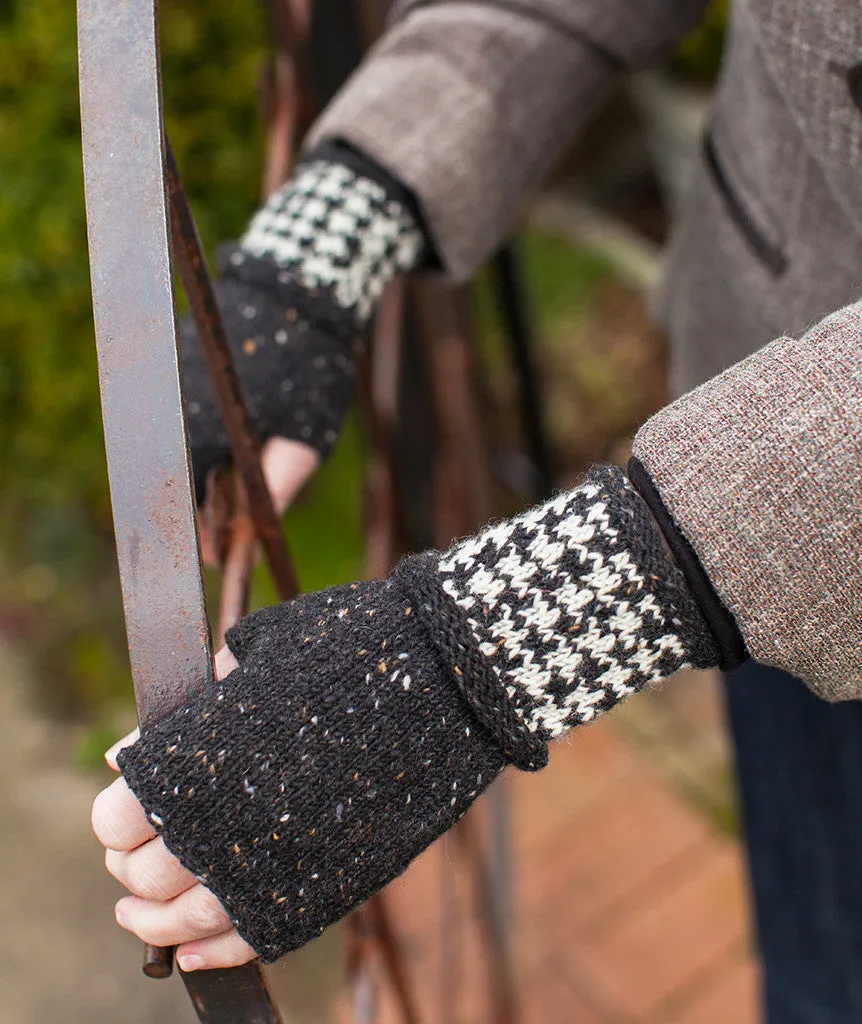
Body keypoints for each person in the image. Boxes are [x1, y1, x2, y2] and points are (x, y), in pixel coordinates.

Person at [91, 2, 862, 1018]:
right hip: (774, 534)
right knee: (822, 953)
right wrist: (323, 245)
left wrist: (501, 638)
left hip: (733, 543)